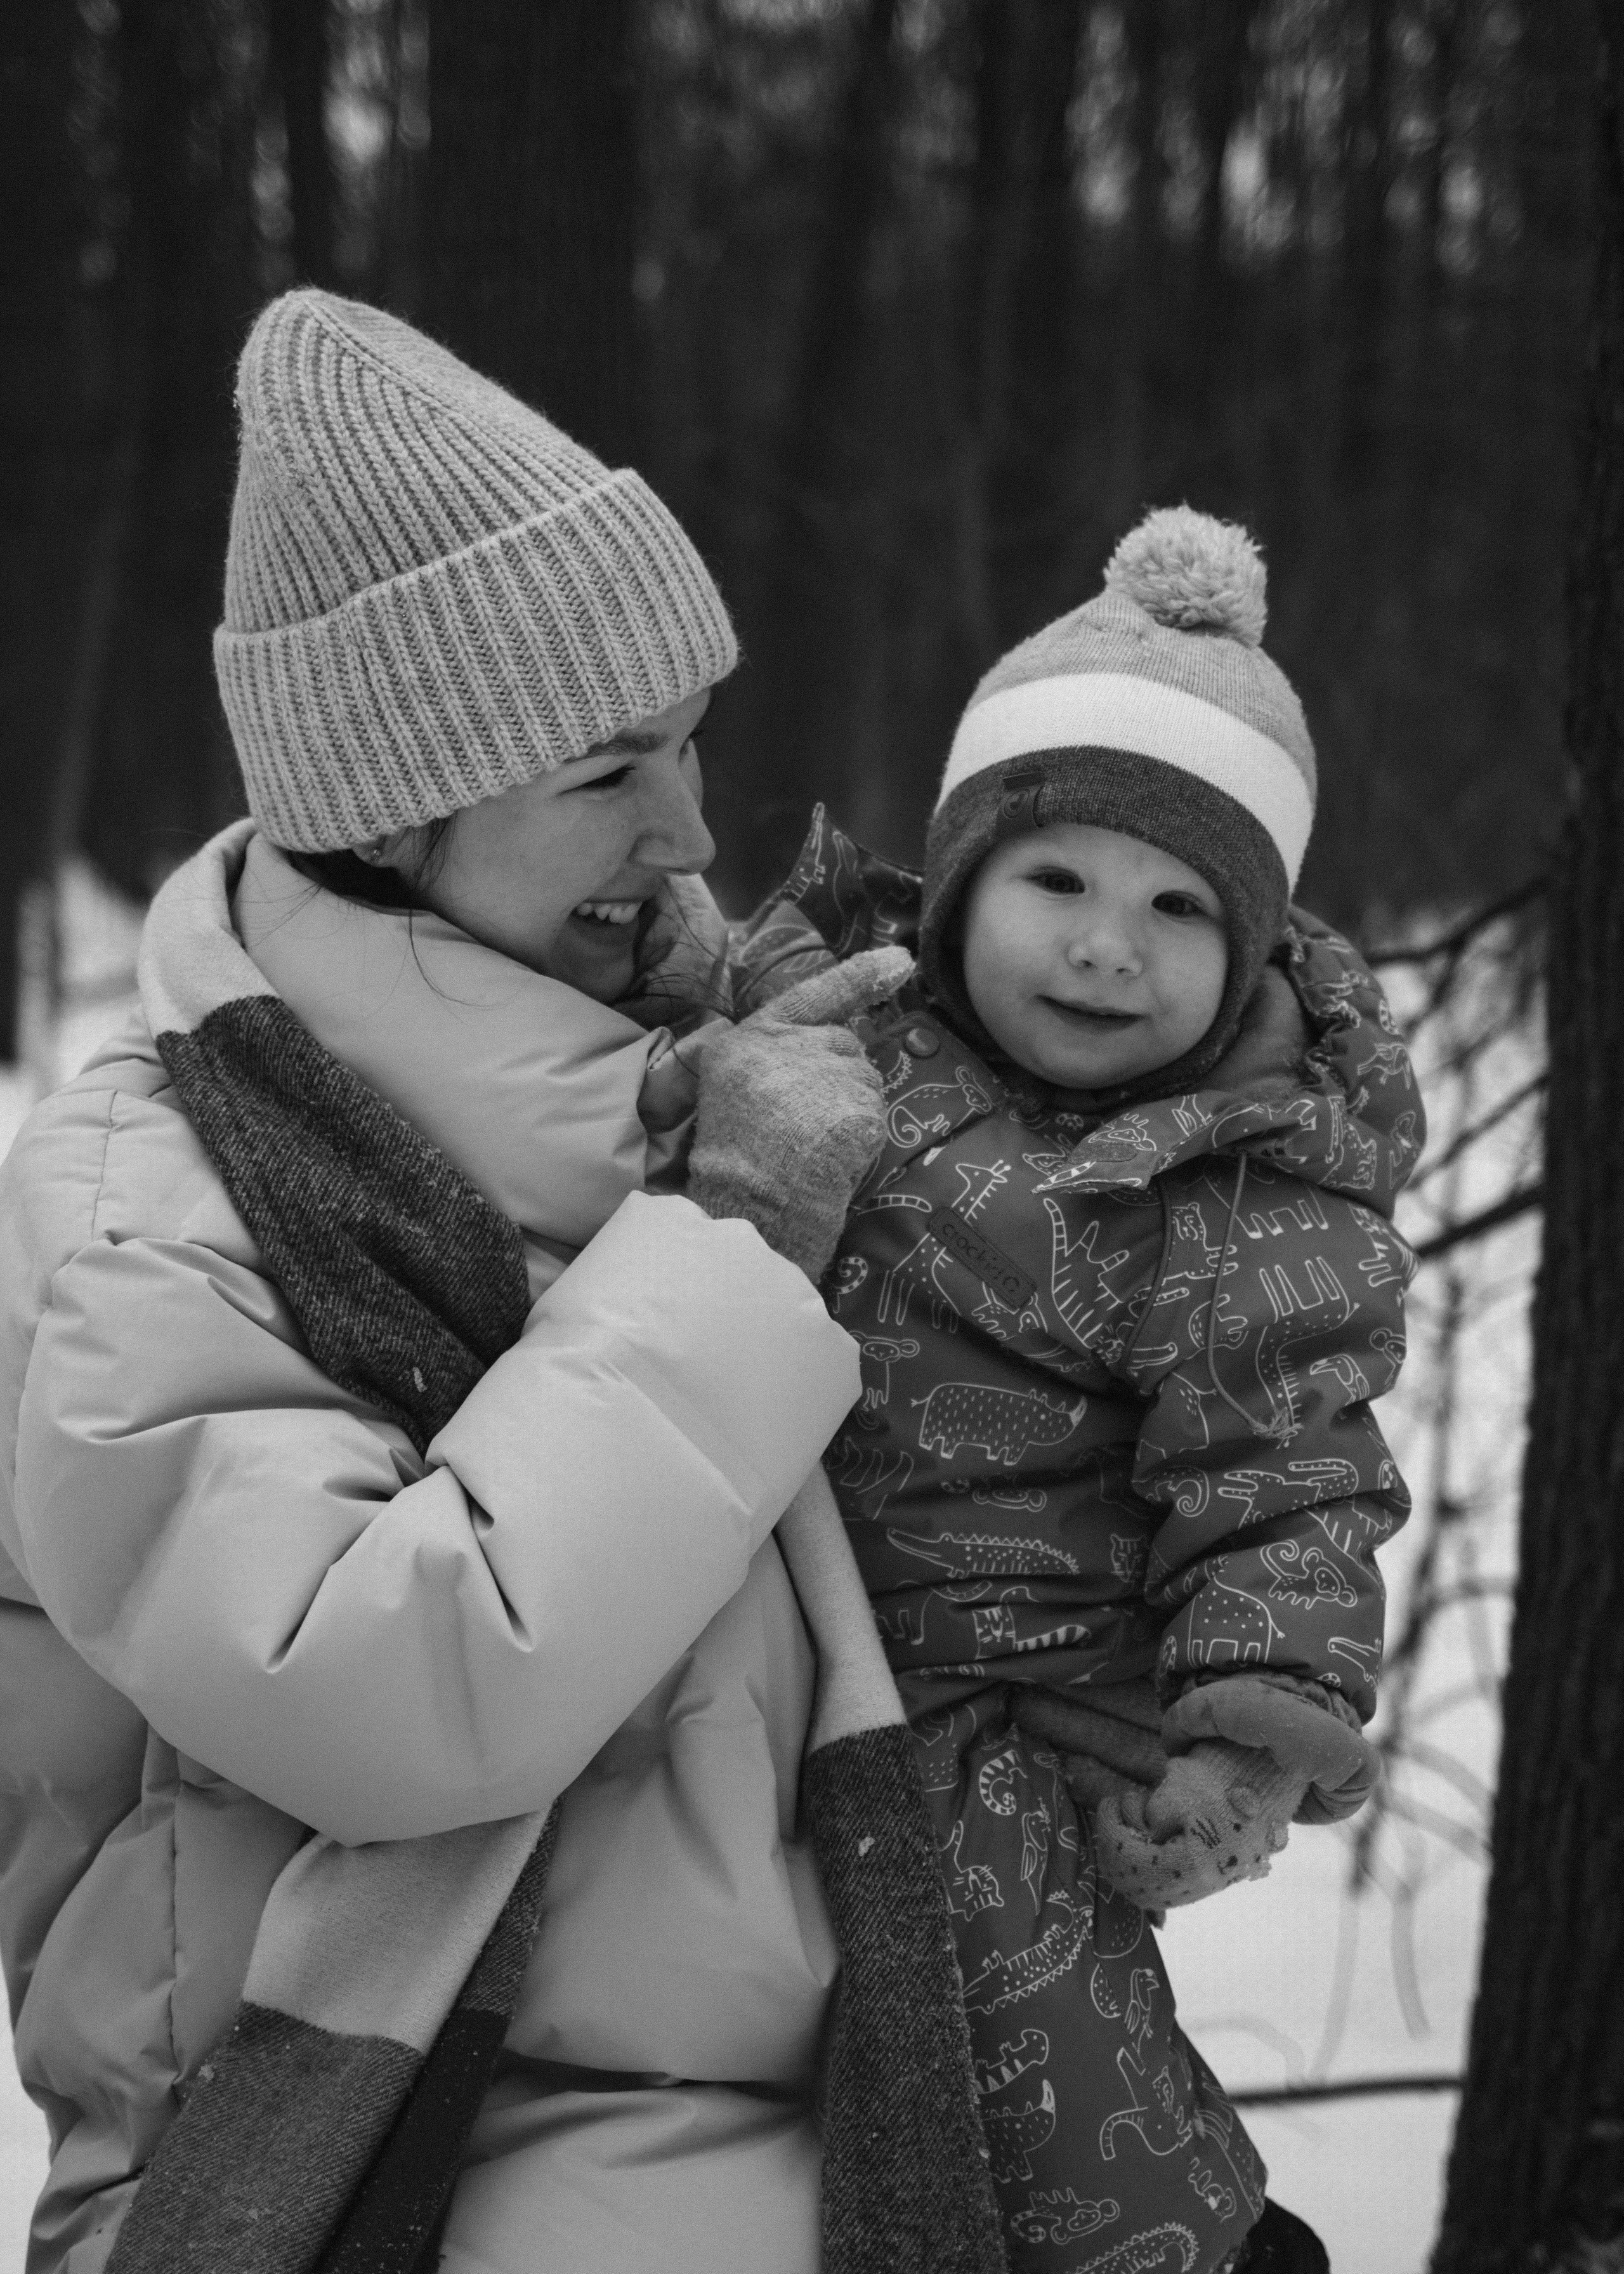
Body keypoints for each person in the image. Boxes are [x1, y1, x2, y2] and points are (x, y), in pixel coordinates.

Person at [0, 289, 965, 2274]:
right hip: (356, 2173)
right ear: (387, 808)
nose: (692, 831)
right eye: (608, 768)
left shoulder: (689, 1089)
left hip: (807, 2136)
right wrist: (741, 1240)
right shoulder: (162, 1193)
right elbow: (381, 1693)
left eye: (690, 744)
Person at [714, 508, 1422, 2273]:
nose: (1110, 947)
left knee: (1039, 2060)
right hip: (750, 1641)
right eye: (1058, 884)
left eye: (1179, 908)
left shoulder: (1241, 1191)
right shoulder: (839, 1030)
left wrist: (1246, 1739)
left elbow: (1290, 1479)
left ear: (1250, 951)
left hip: (1003, 1718)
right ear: (959, 894)